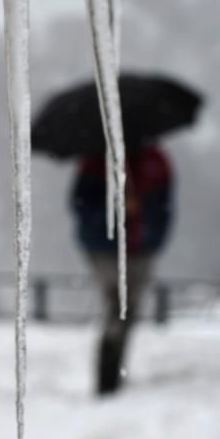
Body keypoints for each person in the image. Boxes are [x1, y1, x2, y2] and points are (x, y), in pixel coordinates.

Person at [71, 143, 174, 395]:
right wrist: (116, 211)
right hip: (105, 247)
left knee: (129, 308)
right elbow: (81, 205)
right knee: (117, 302)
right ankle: (107, 373)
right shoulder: (96, 162)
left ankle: (115, 367)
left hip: (141, 247)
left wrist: (151, 235)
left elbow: (164, 207)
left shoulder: (157, 163)